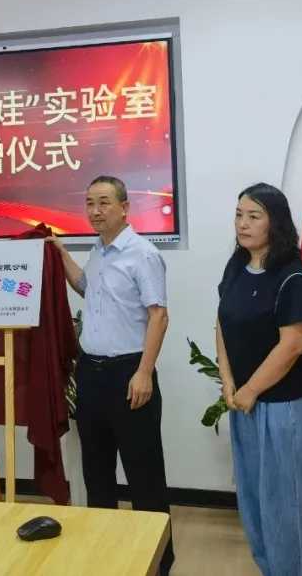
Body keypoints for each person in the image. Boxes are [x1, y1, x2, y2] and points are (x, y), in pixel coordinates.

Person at [50, 175, 174, 574]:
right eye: (90, 203)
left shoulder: (142, 254)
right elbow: (86, 287)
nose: (95, 211)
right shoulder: (99, 251)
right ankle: (106, 555)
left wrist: (144, 373)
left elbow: (159, 315)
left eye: (104, 202)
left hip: (129, 373)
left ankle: (157, 563)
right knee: (97, 470)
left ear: (124, 207)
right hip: (92, 374)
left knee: (143, 472)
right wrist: (60, 252)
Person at [215, 182, 302, 575]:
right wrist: (228, 380)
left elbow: (293, 345)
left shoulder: (291, 275)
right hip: (244, 402)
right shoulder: (236, 266)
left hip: (284, 407)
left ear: (274, 223)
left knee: (290, 502)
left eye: (253, 216)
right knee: (256, 497)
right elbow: (222, 321)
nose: (242, 224)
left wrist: (250, 389)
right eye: (239, 215)